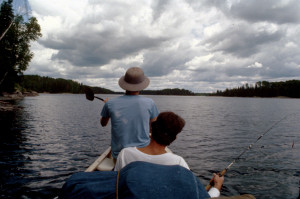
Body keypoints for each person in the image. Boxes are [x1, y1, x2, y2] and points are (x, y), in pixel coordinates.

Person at [114, 111, 224, 198]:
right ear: (174, 138)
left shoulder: (125, 154)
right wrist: (217, 186)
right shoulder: (178, 163)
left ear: (151, 129)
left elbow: (115, 186)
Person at [100, 67, 159, 159]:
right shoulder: (150, 103)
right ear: (141, 85)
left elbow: (103, 124)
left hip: (120, 155)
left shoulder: (110, 103)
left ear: (124, 84)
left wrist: (107, 105)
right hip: (143, 153)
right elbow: (154, 128)